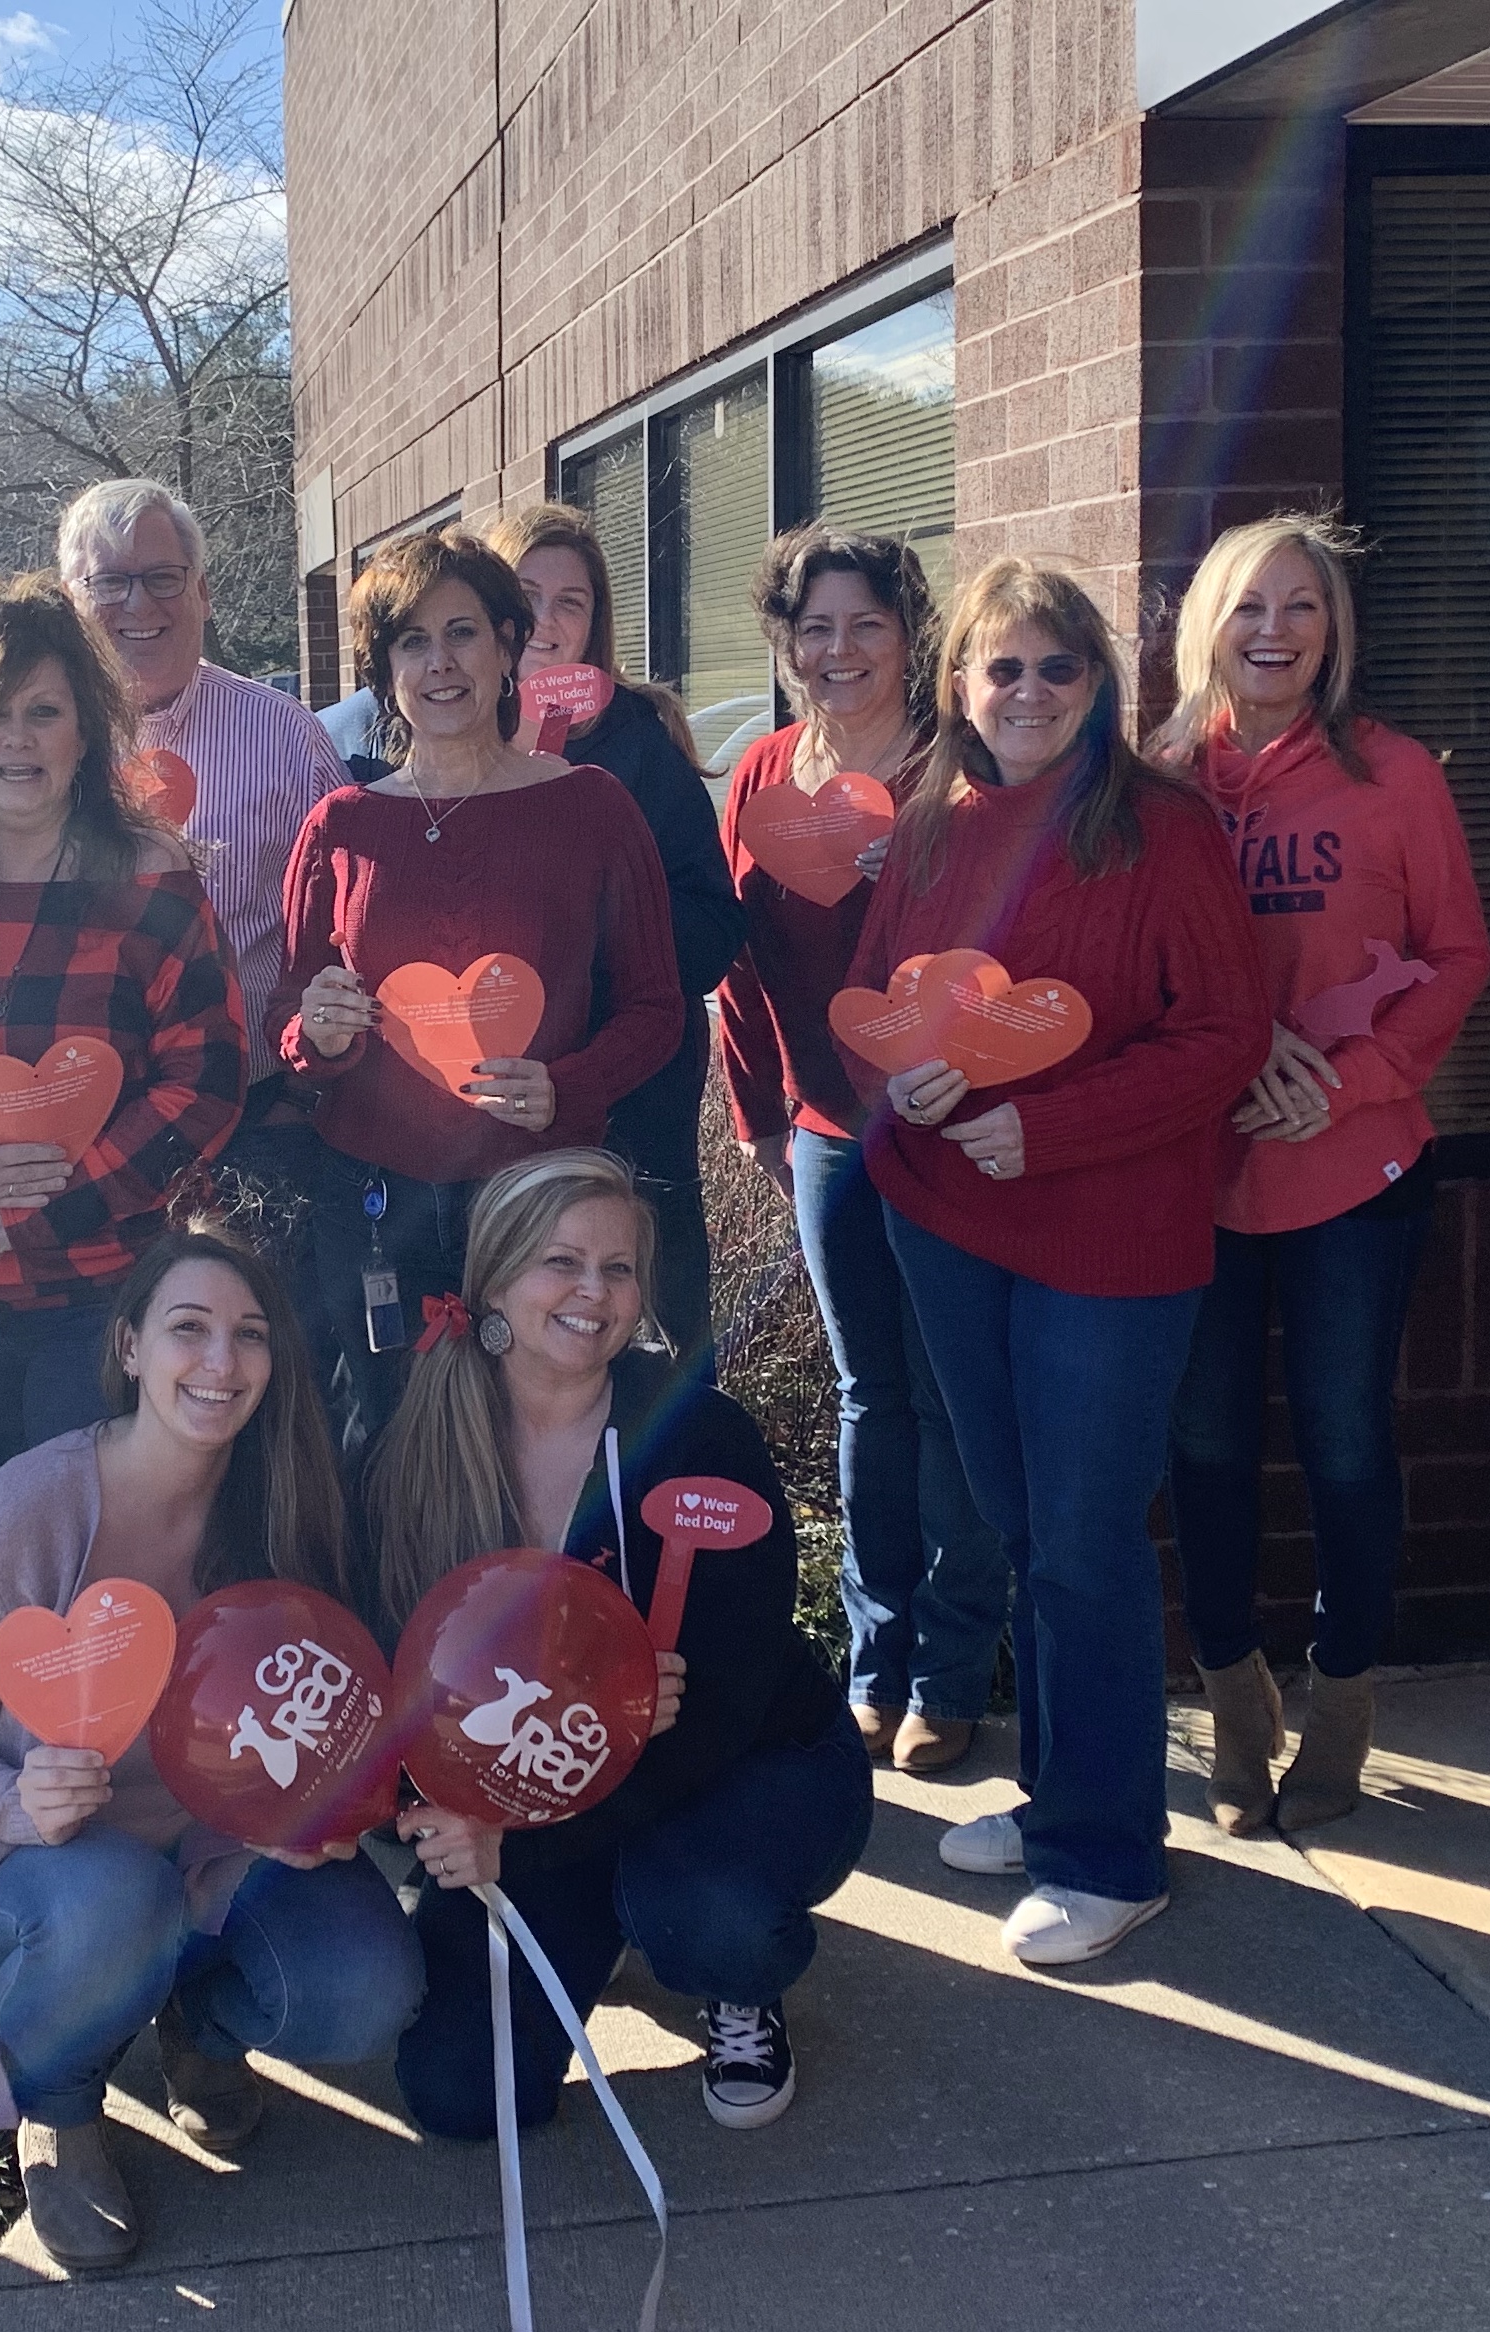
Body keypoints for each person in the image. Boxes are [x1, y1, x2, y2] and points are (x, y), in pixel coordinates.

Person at [864, 559, 1268, 1967]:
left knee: (1085, 1541)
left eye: (1056, 668)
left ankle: (1110, 1855)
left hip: (1108, 1239)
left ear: (1096, 684)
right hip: (950, 1224)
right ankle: (1060, 1802)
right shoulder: (931, 823)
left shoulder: (1159, 828)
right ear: (958, 684)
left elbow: (1222, 1037)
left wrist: (1047, 1124)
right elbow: (891, 1007)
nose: (1025, 693)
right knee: (1022, 1525)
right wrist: (910, 1083)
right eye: (1000, 668)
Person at [0, 1225, 421, 2272]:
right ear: (130, 1347)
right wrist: (18, 1797)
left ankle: (199, 2024)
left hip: (221, 1858)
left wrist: (316, 1813)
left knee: (368, 1985)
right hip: (51, 1874)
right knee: (115, 1900)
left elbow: (329, 1713)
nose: (220, 1363)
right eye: (189, 1329)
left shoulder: (285, 1509)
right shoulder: (22, 1515)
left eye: (249, 1335)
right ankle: (60, 2100)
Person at [375, 1152, 867, 2137]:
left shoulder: (694, 1433)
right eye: (562, 1261)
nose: (593, 1294)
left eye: (619, 1268)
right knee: (460, 2096)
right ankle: (596, 1916)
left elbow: (724, 1701)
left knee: (698, 1910)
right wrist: (425, 1815)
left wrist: (525, 1833)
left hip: (730, 1766)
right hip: (539, 1792)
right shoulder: (413, 1434)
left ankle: (732, 1981)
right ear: (496, 1280)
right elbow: (382, 1664)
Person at [1146, 516, 1490, 1834]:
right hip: (1199, 1166)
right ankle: (1233, 1688)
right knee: (1206, 1440)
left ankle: (1341, 1699)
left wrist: (1339, 1084)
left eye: (1304, 606)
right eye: (1249, 605)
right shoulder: (1155, 777)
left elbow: (1458, 956)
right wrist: (1210, 1071)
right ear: (1207, 624)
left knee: (1345, 1439)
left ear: (1333, 630)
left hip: (1355, 1159)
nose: (1276, 630)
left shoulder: (1395, 776)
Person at [0, 574, 245, 1594]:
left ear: (86, 732)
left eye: (42, 711)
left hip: (99, 1301)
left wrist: (27, 1200)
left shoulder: (149, 883)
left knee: (89, 1572)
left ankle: (85, 1763)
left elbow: (206, 1079)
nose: (14, 738)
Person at [278, 529, 683, 1443]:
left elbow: (657, 1007)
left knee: (531, 1438)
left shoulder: (589, 808)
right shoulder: (340, 826)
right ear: (385, 670)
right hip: (376, 1201)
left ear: (509, 646)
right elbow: (289, 1012)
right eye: (411, 641)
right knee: (388, 1440)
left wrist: (570, 1084)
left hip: (534, 1198)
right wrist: (316, 1033)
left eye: (462, 632)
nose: (440, 662)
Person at [720, 522, 1010, 1778]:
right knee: (867, 1398)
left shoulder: (964, 771)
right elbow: (733, 966)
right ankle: (872, 1662)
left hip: (947, 1127)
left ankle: (951, 1669)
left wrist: (915, 872)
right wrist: (763, 1124)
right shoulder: (764, 772)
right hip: (830, 1133)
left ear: (908, 635)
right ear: (785, 645)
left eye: (866, 625)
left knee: (950, 1399)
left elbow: (1014, 946)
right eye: (813, 628)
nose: (839, 651)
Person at [53, 479, 347, 1340]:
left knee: (250, 1373)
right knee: (107, 1377)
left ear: (204, 591)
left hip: (254, 1122)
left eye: (162, 577)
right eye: (106, 582)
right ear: (67, 598)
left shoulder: (285, 737)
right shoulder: (32, 741)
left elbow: (342, 932)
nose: (136, 603)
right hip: (80, 1127)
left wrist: (301, 1102)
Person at [474, 503, 742, 1365]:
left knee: (641, 1331)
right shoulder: (438, 734)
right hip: (486, 1101)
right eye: (528, 596)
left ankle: (651, 1489)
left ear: (597, 624)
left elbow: (711, 925)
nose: (547, 624)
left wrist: (599, 947)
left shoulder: (640, 744)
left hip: (627, 1107)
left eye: (572, 603)